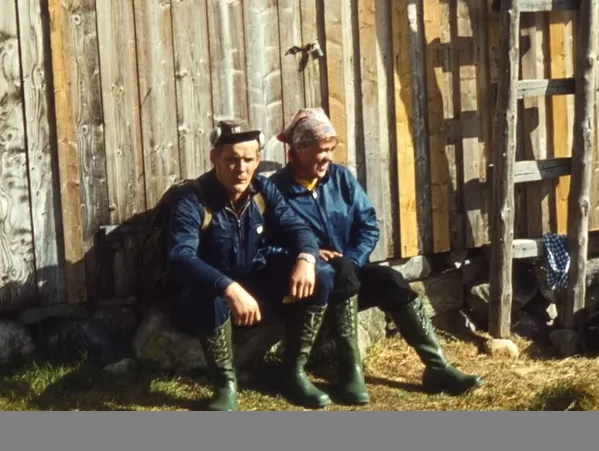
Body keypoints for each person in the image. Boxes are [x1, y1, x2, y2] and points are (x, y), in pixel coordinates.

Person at [269, 108, 484, 405]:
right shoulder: (278, 189)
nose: (328, 157)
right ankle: (349, 371)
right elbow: (267, 245)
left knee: (392, 280)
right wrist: (308, 254)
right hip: (310, 284)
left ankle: (437, 368)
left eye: (331, 150)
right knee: (340, 271)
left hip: (348, 271)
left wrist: (354, 261)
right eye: (321, 151)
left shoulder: (341, 178)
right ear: (300, 149)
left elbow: (368, 225)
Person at [166, 118, 334, 411]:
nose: (241, 168)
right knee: (210, 292)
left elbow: (299, 228)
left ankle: (293, 372)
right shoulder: (192, 197)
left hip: (254, 283)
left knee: (322, 272)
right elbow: (180, 257)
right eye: (232, 159)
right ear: (214, 158)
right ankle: (225, 385)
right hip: (203, 299)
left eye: (248, 159)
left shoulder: (262, 189)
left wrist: (307, 258)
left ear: (257, 160)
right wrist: (227, 287)